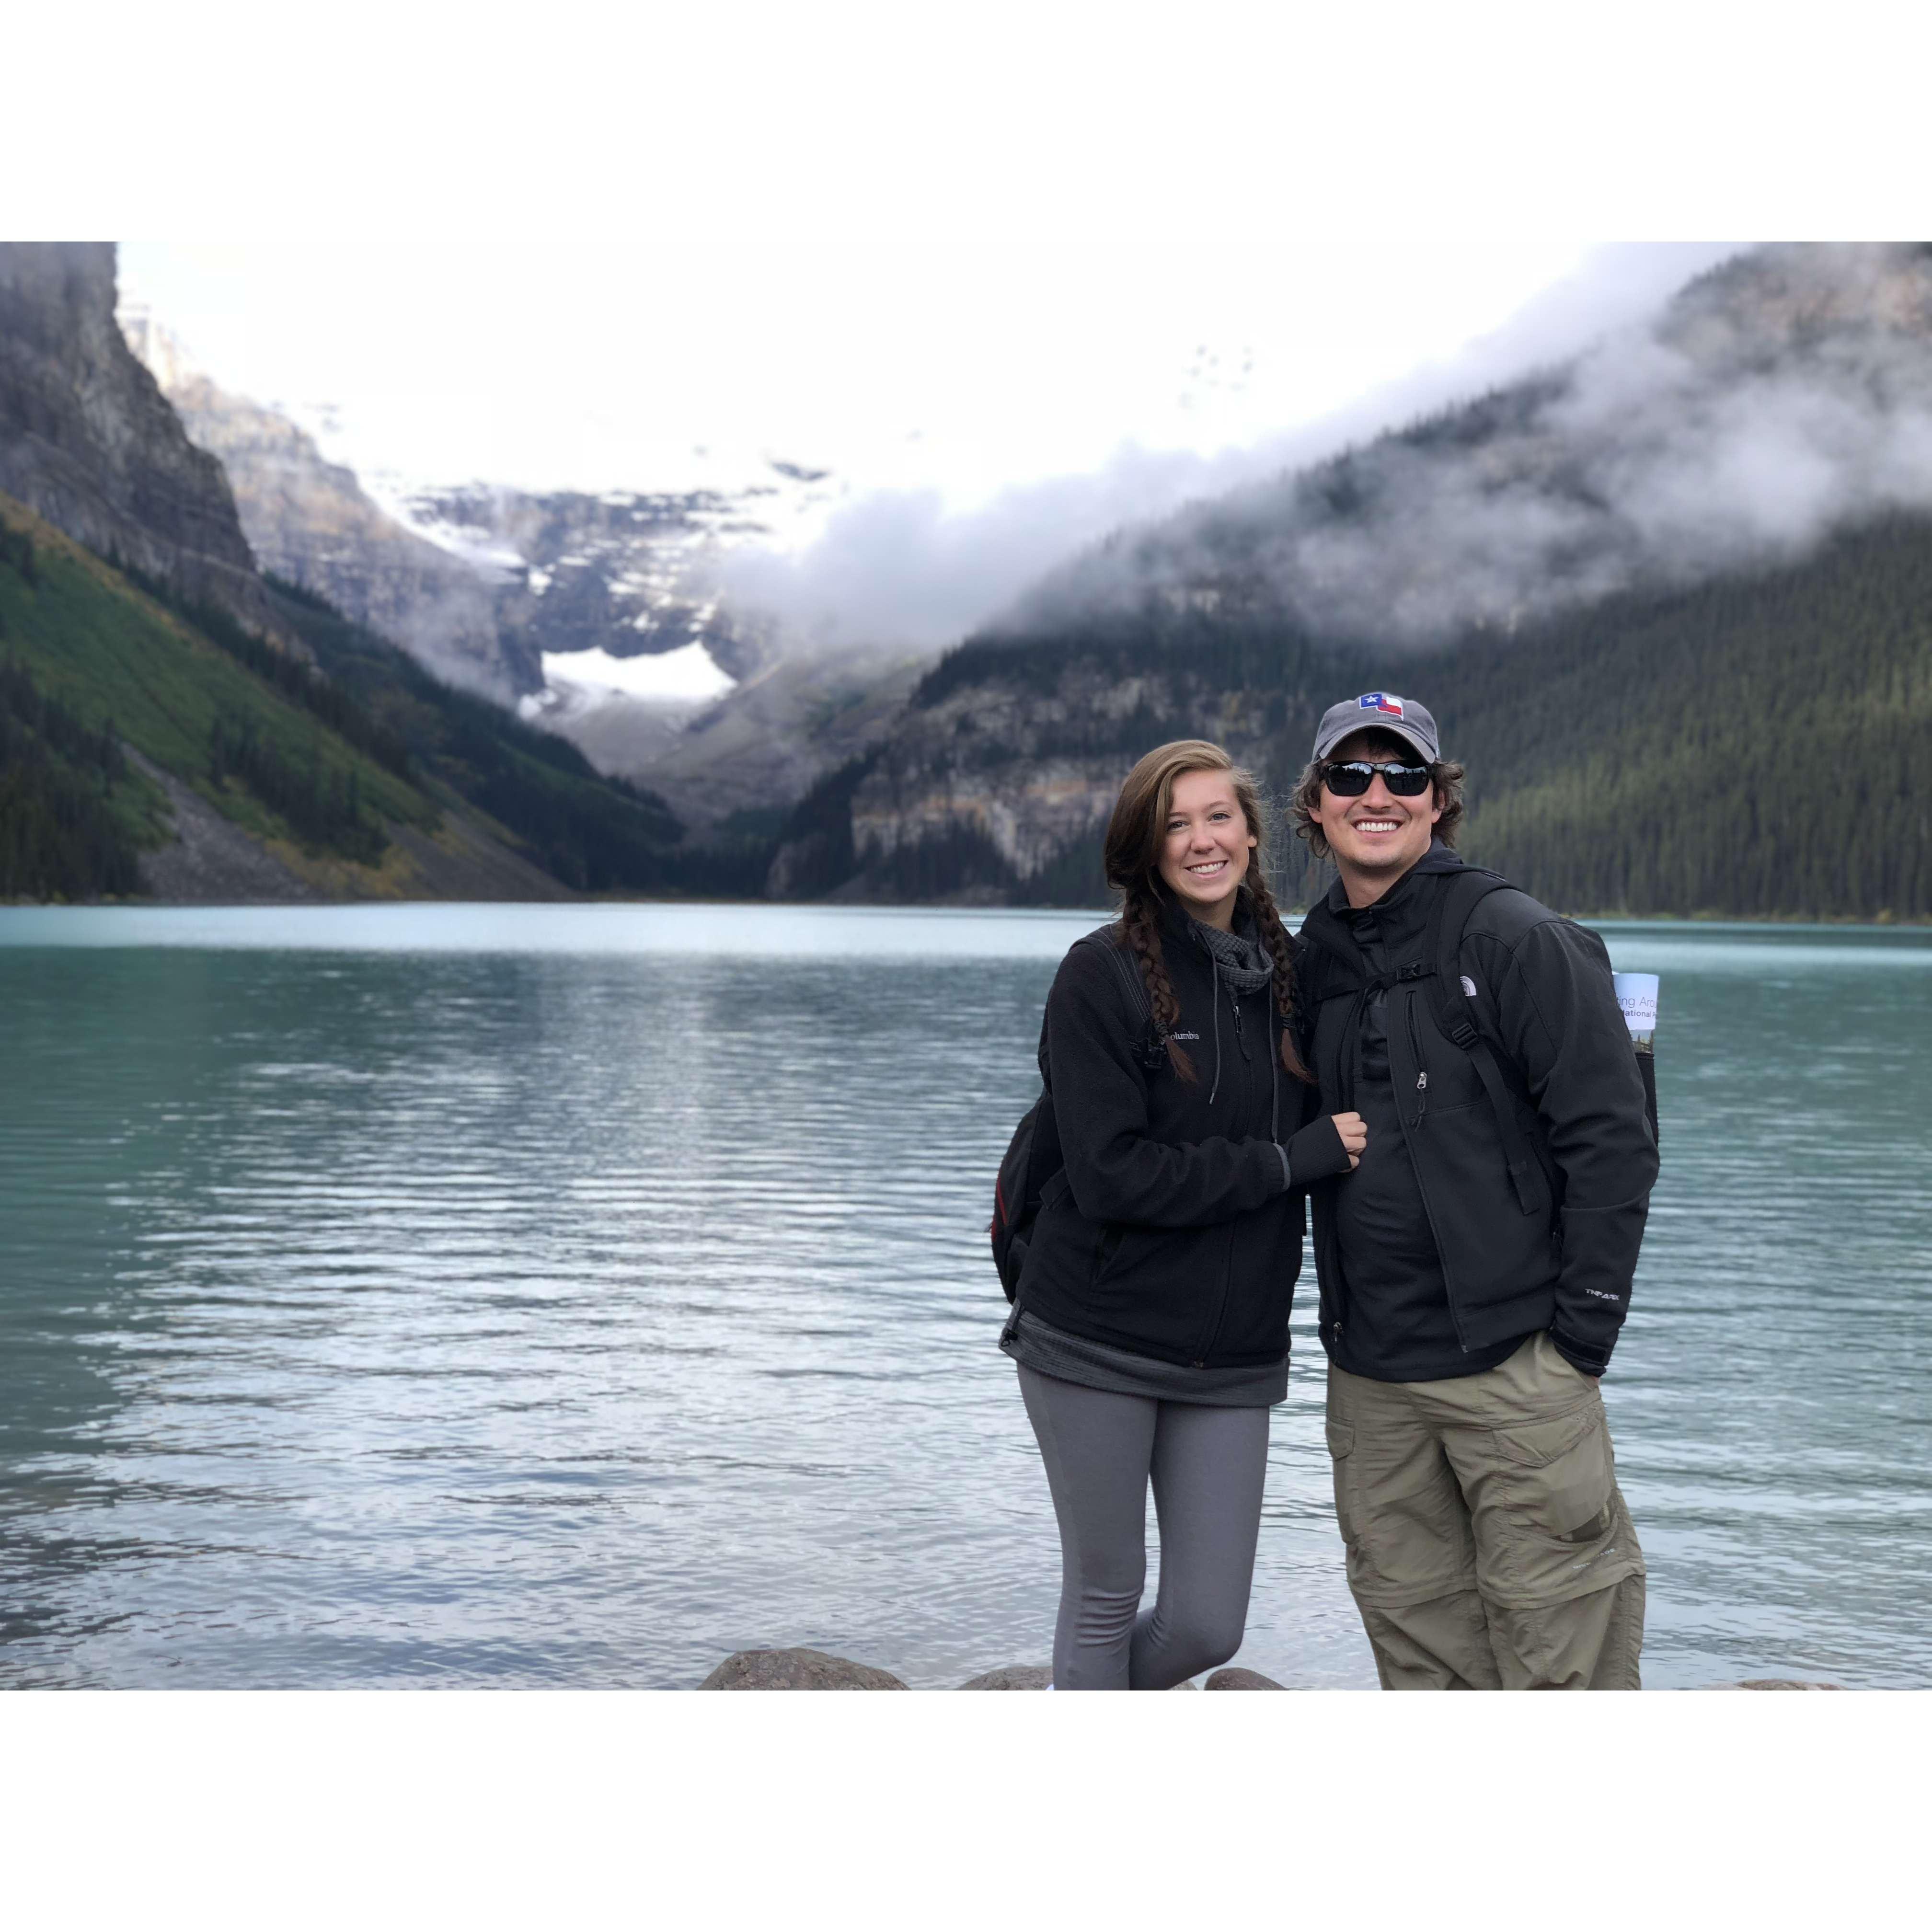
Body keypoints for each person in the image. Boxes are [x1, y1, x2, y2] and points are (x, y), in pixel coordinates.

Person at [1288, 693, 1658, 1690]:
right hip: (1372, 1383)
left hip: (1518, 1370)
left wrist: (1582, 1337)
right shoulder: (1312, 958)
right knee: (1423, 1672)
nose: (1377, 794)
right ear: (1315, 804)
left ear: (1438, 800)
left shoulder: (1516, 938)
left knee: (1564, 1671)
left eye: (1403, 774)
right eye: (1350, 775)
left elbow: (1614, 1139)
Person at [1004, 738, 1366, 1690]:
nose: (1202, 840)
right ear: (1146, 850)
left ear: (1251, 833)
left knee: (1208, 1626)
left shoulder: (1290, 975)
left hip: (1233, 1352)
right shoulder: (1101, 975)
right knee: (1105, 1595)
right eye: (1176, 825)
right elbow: (1111, 1175)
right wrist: (1285, 1163)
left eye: (1218, 817)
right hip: (1096, 1337)